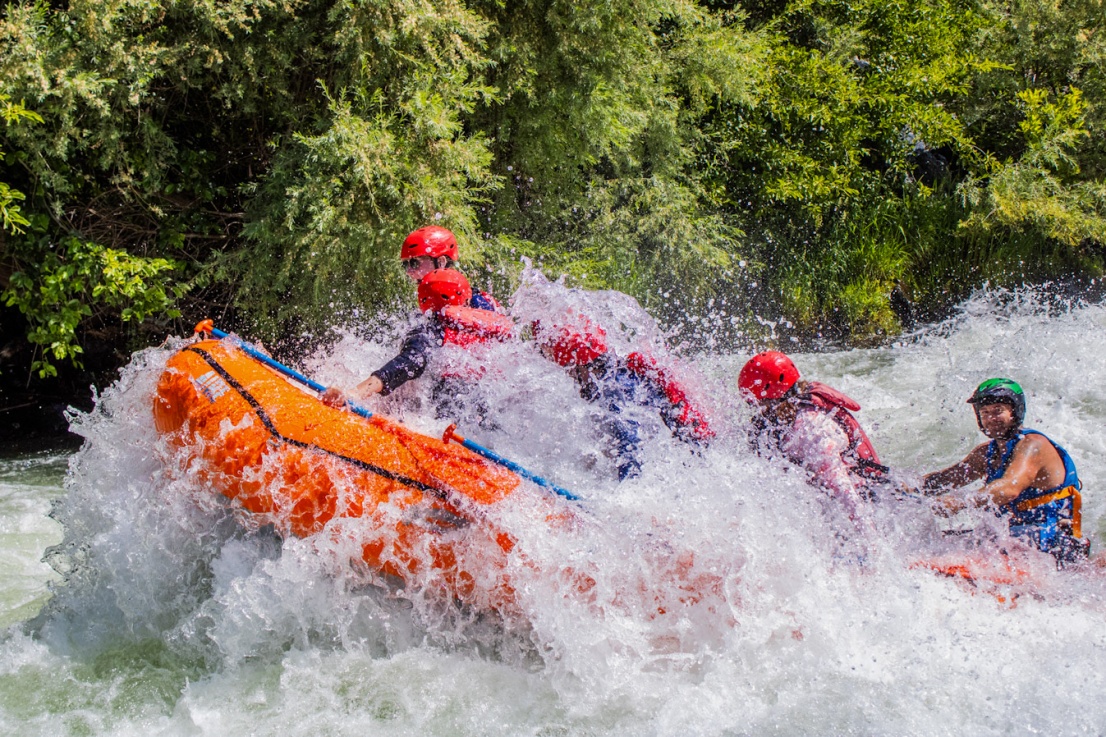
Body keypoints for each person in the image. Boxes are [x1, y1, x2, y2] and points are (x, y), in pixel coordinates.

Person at [920, 378, 1089, 564]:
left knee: (975, 543)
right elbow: (938, 482)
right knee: (937, 541)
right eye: (985, 413)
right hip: (1015, 537)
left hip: (1055, 542)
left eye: (998, 411)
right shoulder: (985, 454)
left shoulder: (1033, 445)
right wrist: (898, 484)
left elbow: (1009, 488)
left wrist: (959, 502)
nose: (991, 418)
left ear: (1015, 412)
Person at [532, 315, 713, 481]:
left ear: (572, 363)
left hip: (693, 461)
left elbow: (633, 449)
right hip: (692, 455)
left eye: (545, 355)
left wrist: (621, 501)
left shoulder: (615, 392)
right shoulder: (614, 375)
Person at [322, 269, 513, 414]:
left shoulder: (431, 332)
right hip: (491, 408)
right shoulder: (483, 323)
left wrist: (353, 394)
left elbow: (403, 366)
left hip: (450, 410)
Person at [738, 351, 887, 509]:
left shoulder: (811, 430)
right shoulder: (791, 418)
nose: (759, 413)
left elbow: (849, 498)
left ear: (774, 399)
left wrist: (868, 534)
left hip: (868, 501)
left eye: (758, 405)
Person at [400, 225, 501, 312]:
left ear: (441, 262)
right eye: (405, 265)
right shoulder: (427, 305)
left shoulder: (475, 302)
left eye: (414, 263)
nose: (409, 271)